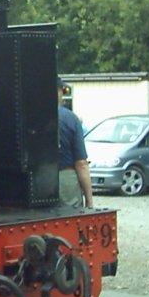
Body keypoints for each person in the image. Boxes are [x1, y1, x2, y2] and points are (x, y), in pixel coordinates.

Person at [57, 78, 93, 209]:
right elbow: (81, 164)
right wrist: (89, 201)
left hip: (36, 181)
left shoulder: (28, 116)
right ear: (57, 92)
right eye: (62, 91)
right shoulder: (70, 118)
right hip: (66, 179)